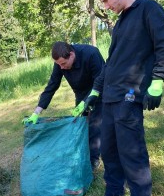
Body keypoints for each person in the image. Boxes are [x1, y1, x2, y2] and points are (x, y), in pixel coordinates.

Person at [81, 0, 164, 195]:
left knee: (132, 156)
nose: (105, 7)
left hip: (129, 96)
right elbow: (111, 62)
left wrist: (157, 81)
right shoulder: (121, 22)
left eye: (105, 1)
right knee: (109, 153)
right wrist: (95, 91)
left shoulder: (149, 9)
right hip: (109, 99)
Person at [22, 41, 105, 170]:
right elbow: (52, 85)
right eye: (58, 64)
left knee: (95, 126)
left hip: (98, 91)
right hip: (80, 93)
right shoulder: (60, 63)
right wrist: (36, 112)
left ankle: (94, 160)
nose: (61, 67)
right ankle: (83, 154)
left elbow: (100, 80)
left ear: (71, 55)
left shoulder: (91, 54)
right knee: (81, 125)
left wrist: (88, 100)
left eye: (63, 64)